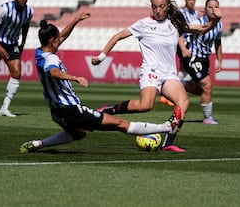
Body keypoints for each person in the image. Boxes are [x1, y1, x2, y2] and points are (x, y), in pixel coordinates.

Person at [19, 13, 180, 153]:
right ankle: (166, 127)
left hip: (56, 113)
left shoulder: (40, 52)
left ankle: (39, 144)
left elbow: (61, 36)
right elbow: (54, 72)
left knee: (78, 134)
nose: (60, 40)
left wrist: (76, 20)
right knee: (120, 124)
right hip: (72, 110)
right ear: (52, 40)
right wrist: (75, 78)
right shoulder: (50, 59)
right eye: (57, 39)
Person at [91, 0, 217, 152]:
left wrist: (216, 19)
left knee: (183, 103)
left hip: (169, 75)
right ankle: (108, 110)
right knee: (146, 105)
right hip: (151, 72)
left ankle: (168, 143)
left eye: (161, 7)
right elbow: (118, 36)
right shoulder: (143, 24)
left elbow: (202, 29)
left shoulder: (175, 24)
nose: (157, 10)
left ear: (167, 7)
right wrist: (101, 57)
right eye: (154, 7)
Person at [178, 0, 223, 125]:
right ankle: (207, 117)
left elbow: (218, 43)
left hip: (205, 59)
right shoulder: (197, 22)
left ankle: (180, 84)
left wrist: (219, 60)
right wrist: (183, 48)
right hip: (193, 57)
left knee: (200, 90)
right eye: (210, 7)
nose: (214, 9)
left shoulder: (219, 25)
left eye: (216, 7)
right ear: (205, 10)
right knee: (207, 85)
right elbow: (180, 32)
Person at [160, 0, 199, 106]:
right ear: (185, 1)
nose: (191, 2)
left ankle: (172, 94)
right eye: (189, 0)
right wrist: (182, 47)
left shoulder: (195, 13)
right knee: (186, 67)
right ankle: (172, 93)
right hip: (182, 43)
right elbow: (179, 29)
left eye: (193, 0)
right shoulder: (181, 12)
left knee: (184, 69)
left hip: (191, 45)